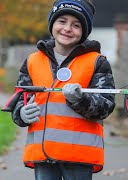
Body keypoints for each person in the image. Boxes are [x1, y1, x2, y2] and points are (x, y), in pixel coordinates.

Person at [11, 0, 115, 179]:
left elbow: (105, 106)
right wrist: (20, 114)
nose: (67, 28)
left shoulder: (97, 62)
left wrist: (80, 100)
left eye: (76, 25)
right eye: (62, 21)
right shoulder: (32, 62)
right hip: (42, 155)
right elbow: (20, 99)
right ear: (52, 23)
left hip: (79, 156)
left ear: (84, 32)